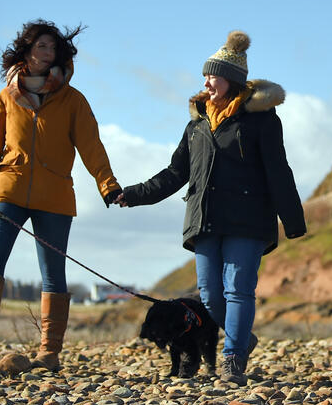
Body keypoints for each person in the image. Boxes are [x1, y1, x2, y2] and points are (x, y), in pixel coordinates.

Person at [114, 30, 306, 384]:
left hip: (248, 220)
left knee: (237, 289)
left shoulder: (262, 121)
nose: (206, 81)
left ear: (231, 79)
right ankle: (243, 338)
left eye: (212, 75)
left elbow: (279, 171)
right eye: (205, 75)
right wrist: (135, 194)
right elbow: (175, 173)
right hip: (204, 220)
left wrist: (292, 219)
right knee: (210, 295)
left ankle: (233, 358)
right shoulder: (196, 125)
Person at [0, 20, 122, 370]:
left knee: (53, 274)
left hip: (55, 197)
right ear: (27, 51)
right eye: (42, 46)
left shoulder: (73, 100)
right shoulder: (6, 97)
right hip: (9, 191)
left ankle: (49, 353)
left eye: (53, 47)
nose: (48, 53)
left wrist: (107, 184)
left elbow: (92, 147)